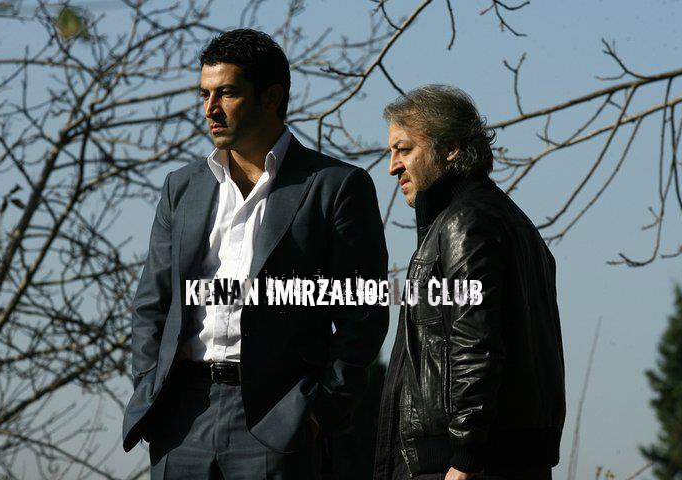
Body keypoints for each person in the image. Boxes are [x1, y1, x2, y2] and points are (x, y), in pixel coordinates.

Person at [122, 28, 389, 479]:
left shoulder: (335, 186)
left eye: (226, 93)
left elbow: (363, 312)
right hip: (180, 420)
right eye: (205, 94)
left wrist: (319, 412)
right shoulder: (181, 187)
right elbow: (153, 302)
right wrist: (150, 387)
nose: (210, 108)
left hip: (278, 418)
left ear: (271, 98)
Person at [373, 85, 565, 480]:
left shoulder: (465, 223)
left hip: (460, 465)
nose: (392, 167)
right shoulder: (512, 222)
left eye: (404, 150)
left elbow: (477, 344)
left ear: (451, 148)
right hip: (502, 458)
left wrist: (466, 455)